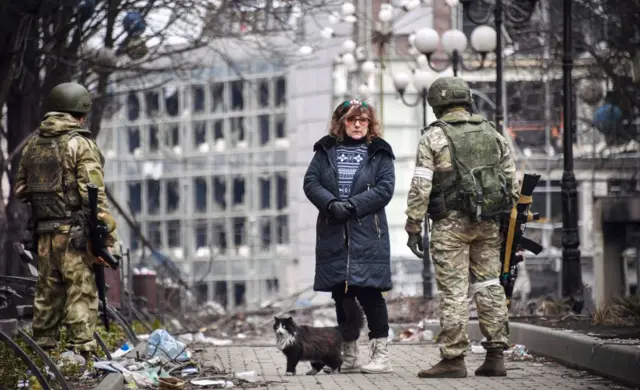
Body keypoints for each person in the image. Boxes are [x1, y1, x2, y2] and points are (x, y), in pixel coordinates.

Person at [404, 77, 520, 379]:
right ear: (466, 100)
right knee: (489, 284)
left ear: (436, 104)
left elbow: (421, 185)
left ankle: (453, 359)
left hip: (450, 224)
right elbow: (512, 181)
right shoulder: (491, 132)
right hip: (488, 223)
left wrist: (413, 224)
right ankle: (495, 356)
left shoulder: (434, 137)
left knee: (454, 291)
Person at [15, 82, 118, 359]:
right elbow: (93, 194)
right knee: (81, 291)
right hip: (74, 234)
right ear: (81, 113)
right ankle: (82, 353)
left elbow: (21, 189)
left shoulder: (33, 145)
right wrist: (107, 239)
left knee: (47, 293)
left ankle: (43, 352)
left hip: (44, 233)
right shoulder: (80, 143)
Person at [303, 99, 396, 374]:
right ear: (341, 122)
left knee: (370, 294)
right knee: (341, 295)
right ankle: (350, 355)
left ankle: (381, 356)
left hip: (368, 234)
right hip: (334, 233)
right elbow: (311, 182)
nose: (357, 124)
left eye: (363, 120)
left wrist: (353, 206)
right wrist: (331, 204)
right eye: (351, 119)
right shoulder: (325, 149)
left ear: (370, 124)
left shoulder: (379, 151)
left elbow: (385, 188)